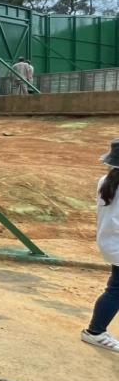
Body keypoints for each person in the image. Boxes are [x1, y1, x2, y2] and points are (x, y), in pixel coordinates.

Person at [81, 139, 119, 353]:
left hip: (110, 241)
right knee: (115, 290)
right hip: (116, 243)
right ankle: (95, 332)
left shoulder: (105, 180)